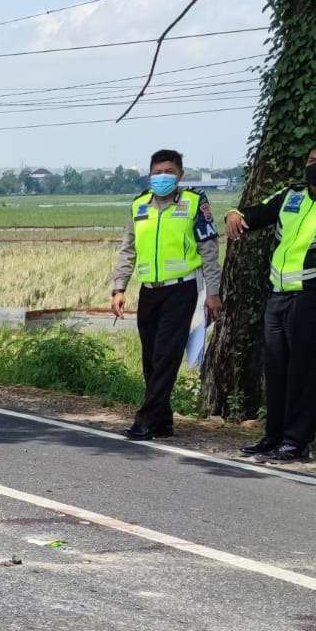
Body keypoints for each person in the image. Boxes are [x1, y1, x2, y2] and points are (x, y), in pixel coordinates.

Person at [225, 136, 316, 463]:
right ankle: (273, 435)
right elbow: (257, 213)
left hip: (310, 301)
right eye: (313, 160)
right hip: (277, 298)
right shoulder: (289, 196)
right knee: (275, 369)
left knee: (303, 371)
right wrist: (235, 213)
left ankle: (297, 441)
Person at [108, 149, 222, 440]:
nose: (162, 177)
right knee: (150, 359)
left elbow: (209, 250)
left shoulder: (195, 203)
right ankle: (163, 420)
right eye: (157, 172)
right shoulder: (139, 206)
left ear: (180, 175)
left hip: (181, 290)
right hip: (149, 291)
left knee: (166, 356)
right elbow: (128, 250)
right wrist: (119, 288)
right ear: (149, 174)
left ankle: (145, 419)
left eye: (168, 172)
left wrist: (213, 293)